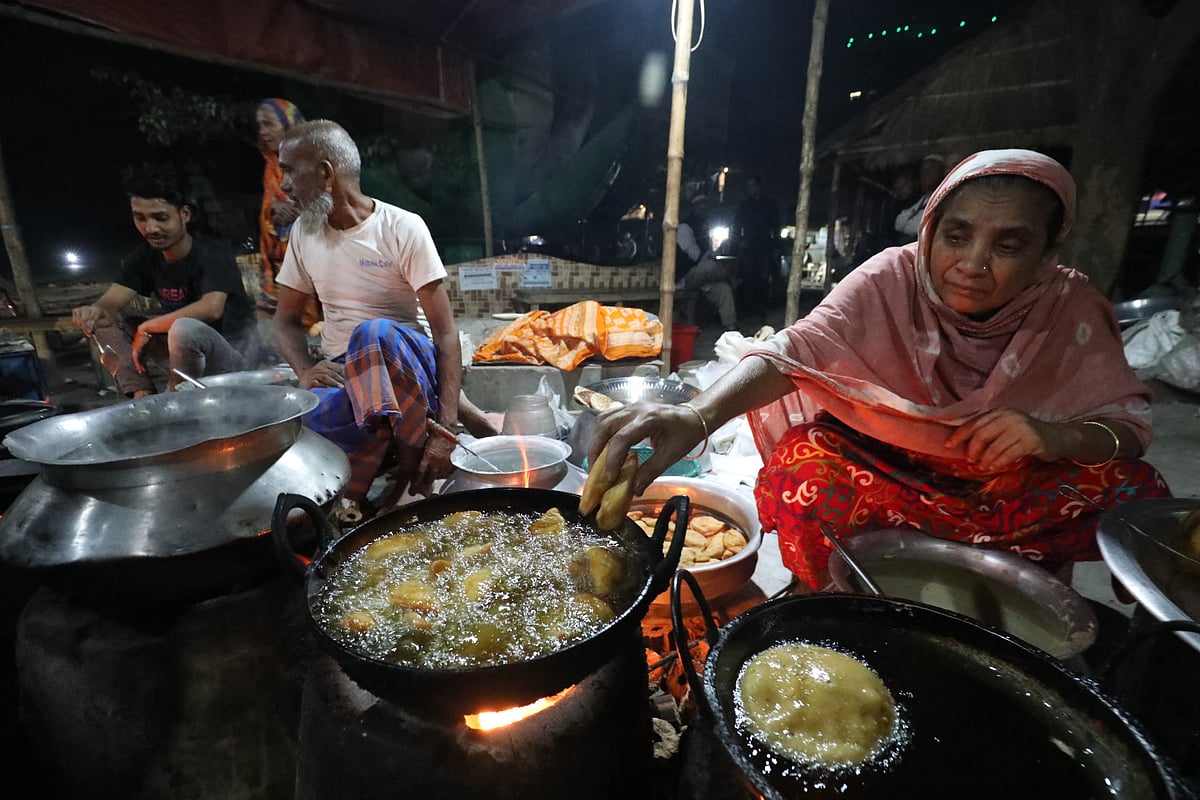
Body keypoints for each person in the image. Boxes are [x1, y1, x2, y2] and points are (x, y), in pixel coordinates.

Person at [588, 149, 1170, 588]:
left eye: (1009, 245)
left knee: (1135, 496)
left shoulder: (1069, 306)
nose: (972, 264)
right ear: (929, 231)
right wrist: (697, 414)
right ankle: (837, 596)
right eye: (957, 235)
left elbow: (1125, 427)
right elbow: (796, 350)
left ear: (1046, 255)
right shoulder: (891, 278)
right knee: (800, 472)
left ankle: (1023, 598)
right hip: (886, 475)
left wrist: (1051, 435)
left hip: (1004, 484)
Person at [273, 120, 497, 510]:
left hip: (404, 358)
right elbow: (284, 321)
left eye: (290, 170)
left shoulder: (402, 227)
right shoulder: (303, 234)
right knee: (303, 422)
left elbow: (445, 334)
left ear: (325, 173)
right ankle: (378, 471)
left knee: (371, 335)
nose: (284, 185)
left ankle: (405, 479)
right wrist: (306, 370)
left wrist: (446, 427)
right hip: (348, 372)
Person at [71, 163, 259, 397]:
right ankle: (142, 397)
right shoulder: (144, 257)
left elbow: (211, 308)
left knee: (183, 327)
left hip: (230, 361)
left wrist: (148, 327)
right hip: (181, 357)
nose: (151, 228)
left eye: (160, 218)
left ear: (185, 214)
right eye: (140, 218)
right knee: (104, 321)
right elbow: (110, 303)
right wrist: (94, 310)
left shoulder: (213, 252)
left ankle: (178, 396)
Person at [677, 195, 738, 331]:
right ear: (693, 208)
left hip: (703, 278)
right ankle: (731, 276)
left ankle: (731, 330)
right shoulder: (684, 228)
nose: (702, 209)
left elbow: (711, 254)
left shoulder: (705, 230)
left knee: (723, 289)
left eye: (705, 206)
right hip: (686, 277)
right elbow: (696, 257)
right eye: (699, 206)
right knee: (712, 267)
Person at [732, 175, 780, 315]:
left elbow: (775, 226)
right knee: (748, 275)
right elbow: (736, 225)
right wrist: (739, 241)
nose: (750, 189)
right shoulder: (744, 205)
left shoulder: (770, 204)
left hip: (764, 244)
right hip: (748, 244)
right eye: (748, 186)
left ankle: (761, 305)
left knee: (764, 276)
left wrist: (776, 246)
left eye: (752, 186)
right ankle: (748, 306)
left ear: (759, 187)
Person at [894, 154, 948, 242]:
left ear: (941, 173)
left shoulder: (946, 200)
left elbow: (923, 228)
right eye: (922, 171)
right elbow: (899, 223)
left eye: (929, 171)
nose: (924, 175)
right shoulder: (922, 200)